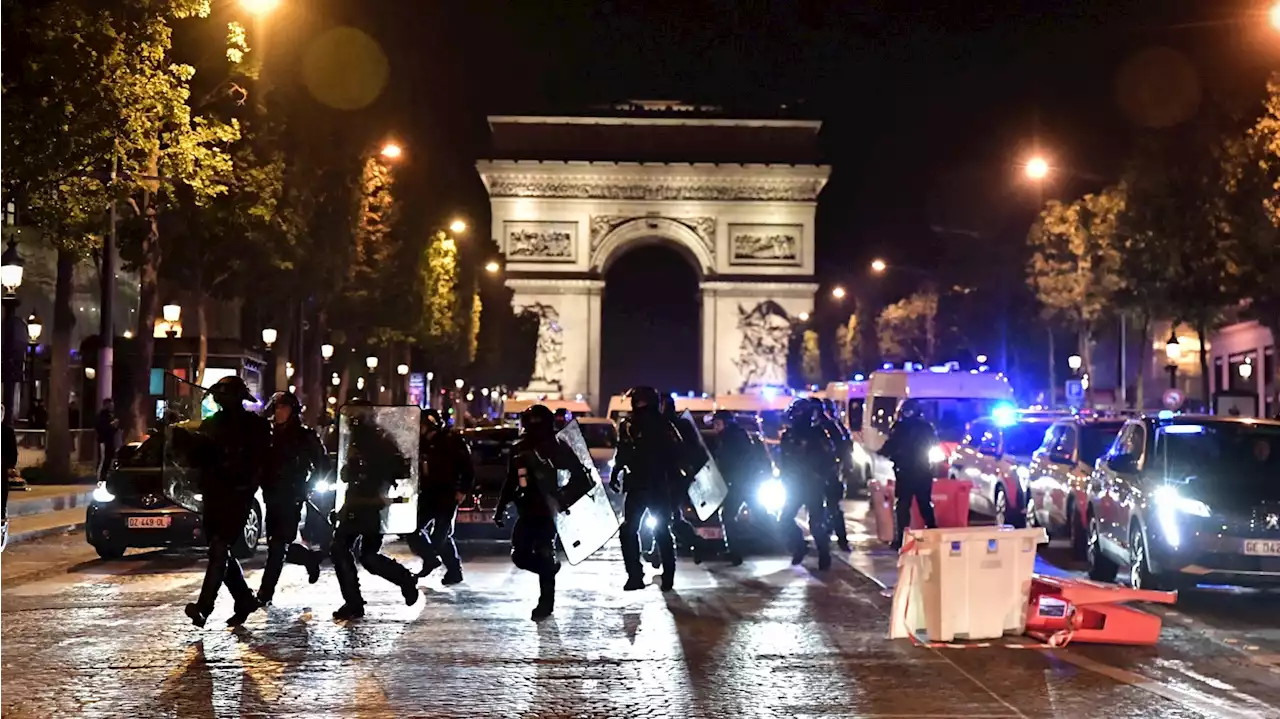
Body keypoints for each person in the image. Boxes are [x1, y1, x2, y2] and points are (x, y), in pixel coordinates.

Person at [182, 377, 272, 628]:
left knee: (220, 549)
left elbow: (260, 462)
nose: (220, 401)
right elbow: (197, 459)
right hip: (213, 495)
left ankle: (204, 608)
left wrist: (246, 484)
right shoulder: (211, 424)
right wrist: (187, 441)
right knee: (218, 550)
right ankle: (244, 599)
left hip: (237, 496)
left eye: (224, 396)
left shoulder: (256, 427)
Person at [330, 403, 419, 620]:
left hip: (371, 502)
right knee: (360, 554)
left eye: (356, 414)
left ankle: (355, 602)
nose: (352, 418)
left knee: (348, 550)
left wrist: (370, 471)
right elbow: (347, 471)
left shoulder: (378, 439)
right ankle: (399, 581)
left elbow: (400, 468)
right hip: (358, 501)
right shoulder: (358, 438)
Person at [494, 404, 573, 621]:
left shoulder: (557, 446)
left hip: (549, 510)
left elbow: (578, 473)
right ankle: (549, 569)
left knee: (544, 552)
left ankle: (546, 603)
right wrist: (501, 507)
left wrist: (564, 497)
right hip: (527, 509)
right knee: (520, 555)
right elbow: (511, 479)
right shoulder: (519, 447)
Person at [256, 391, 329, 606]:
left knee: (279, 545)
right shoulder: (268, 435)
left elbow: (323, 464)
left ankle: (265, 593)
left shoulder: (304, 436)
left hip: (292, 495)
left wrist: (308, 486)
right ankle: (310, 558)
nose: (279, 412)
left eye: (284, 408)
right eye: (277, 408)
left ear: (293, 411)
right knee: (276, 545)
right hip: (271, 495)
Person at [611, 386, 686, 591]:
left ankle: (659, 575)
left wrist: (674, 478)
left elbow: (677, 453)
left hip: (654, 484)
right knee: (632, 530)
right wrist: (616, 470)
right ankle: (639, 575)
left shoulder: (661, 425)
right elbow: (623, 450)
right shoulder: (631, 425)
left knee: (657, 529)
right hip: (640, 484)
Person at [406, 408, 473, 584]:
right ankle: (430, 559)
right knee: (412, 528)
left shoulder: (451, 441)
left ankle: (453, 570)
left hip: (447, 494)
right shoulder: (418, 443)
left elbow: (466, 467)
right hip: (427, 493)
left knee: (440, 535)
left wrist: (462, 490)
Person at [778, 398, 836, 571]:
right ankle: (800, 546)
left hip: (812, 485)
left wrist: (820, 476)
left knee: (816, 523)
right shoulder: (788, 435)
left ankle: (824, 555)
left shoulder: (817, 434)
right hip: (794, 485)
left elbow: (829, 458)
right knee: (784, 519)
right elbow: (784, 460)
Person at [881, 399, 940, 549]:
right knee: (922, 504)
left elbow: (889, 447)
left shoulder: (900, 427)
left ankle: (902, 538)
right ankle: (932, 534)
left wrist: (885, 453)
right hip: (920, 471)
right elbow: (934, 444)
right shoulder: (926, 427)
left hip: (907, 471)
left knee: (904, 506)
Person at [707, 409, 763, 565]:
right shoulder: (727, 437)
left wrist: (730, 478)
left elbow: (737, 462)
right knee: (729, 515)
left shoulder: (734, 438)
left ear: (727, 423)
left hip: (741, 483)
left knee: (758, 517)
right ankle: (734, 551)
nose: (715, 428)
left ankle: (786, 541)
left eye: (717, 424)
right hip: (738, 483)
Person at [815, 399, 853, 552]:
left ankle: (840, 539)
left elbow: (844, 446)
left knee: (833, 507)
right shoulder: (813, 428)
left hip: (830, 471)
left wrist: (843, 466)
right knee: (823, 507)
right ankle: (827, 536)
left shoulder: (830, 426)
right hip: (818, 472)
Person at [0, 405, 16, 549]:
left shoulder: (7, 431)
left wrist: (10, 466)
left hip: (1, 468)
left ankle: (1, 516)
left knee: (2, 492)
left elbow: (12, 450)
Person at [95, 399, 120, 484]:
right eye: (110, 405)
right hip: (104, 441)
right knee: (104, 459)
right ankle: (101, 478)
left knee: (108, 459)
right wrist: (111, 425)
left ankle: (105, 477)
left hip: (110, 441)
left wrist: (114, 427)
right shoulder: (102, 415)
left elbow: (112, 430)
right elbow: (101, 428)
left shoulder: (110, 415)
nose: (112, 406)